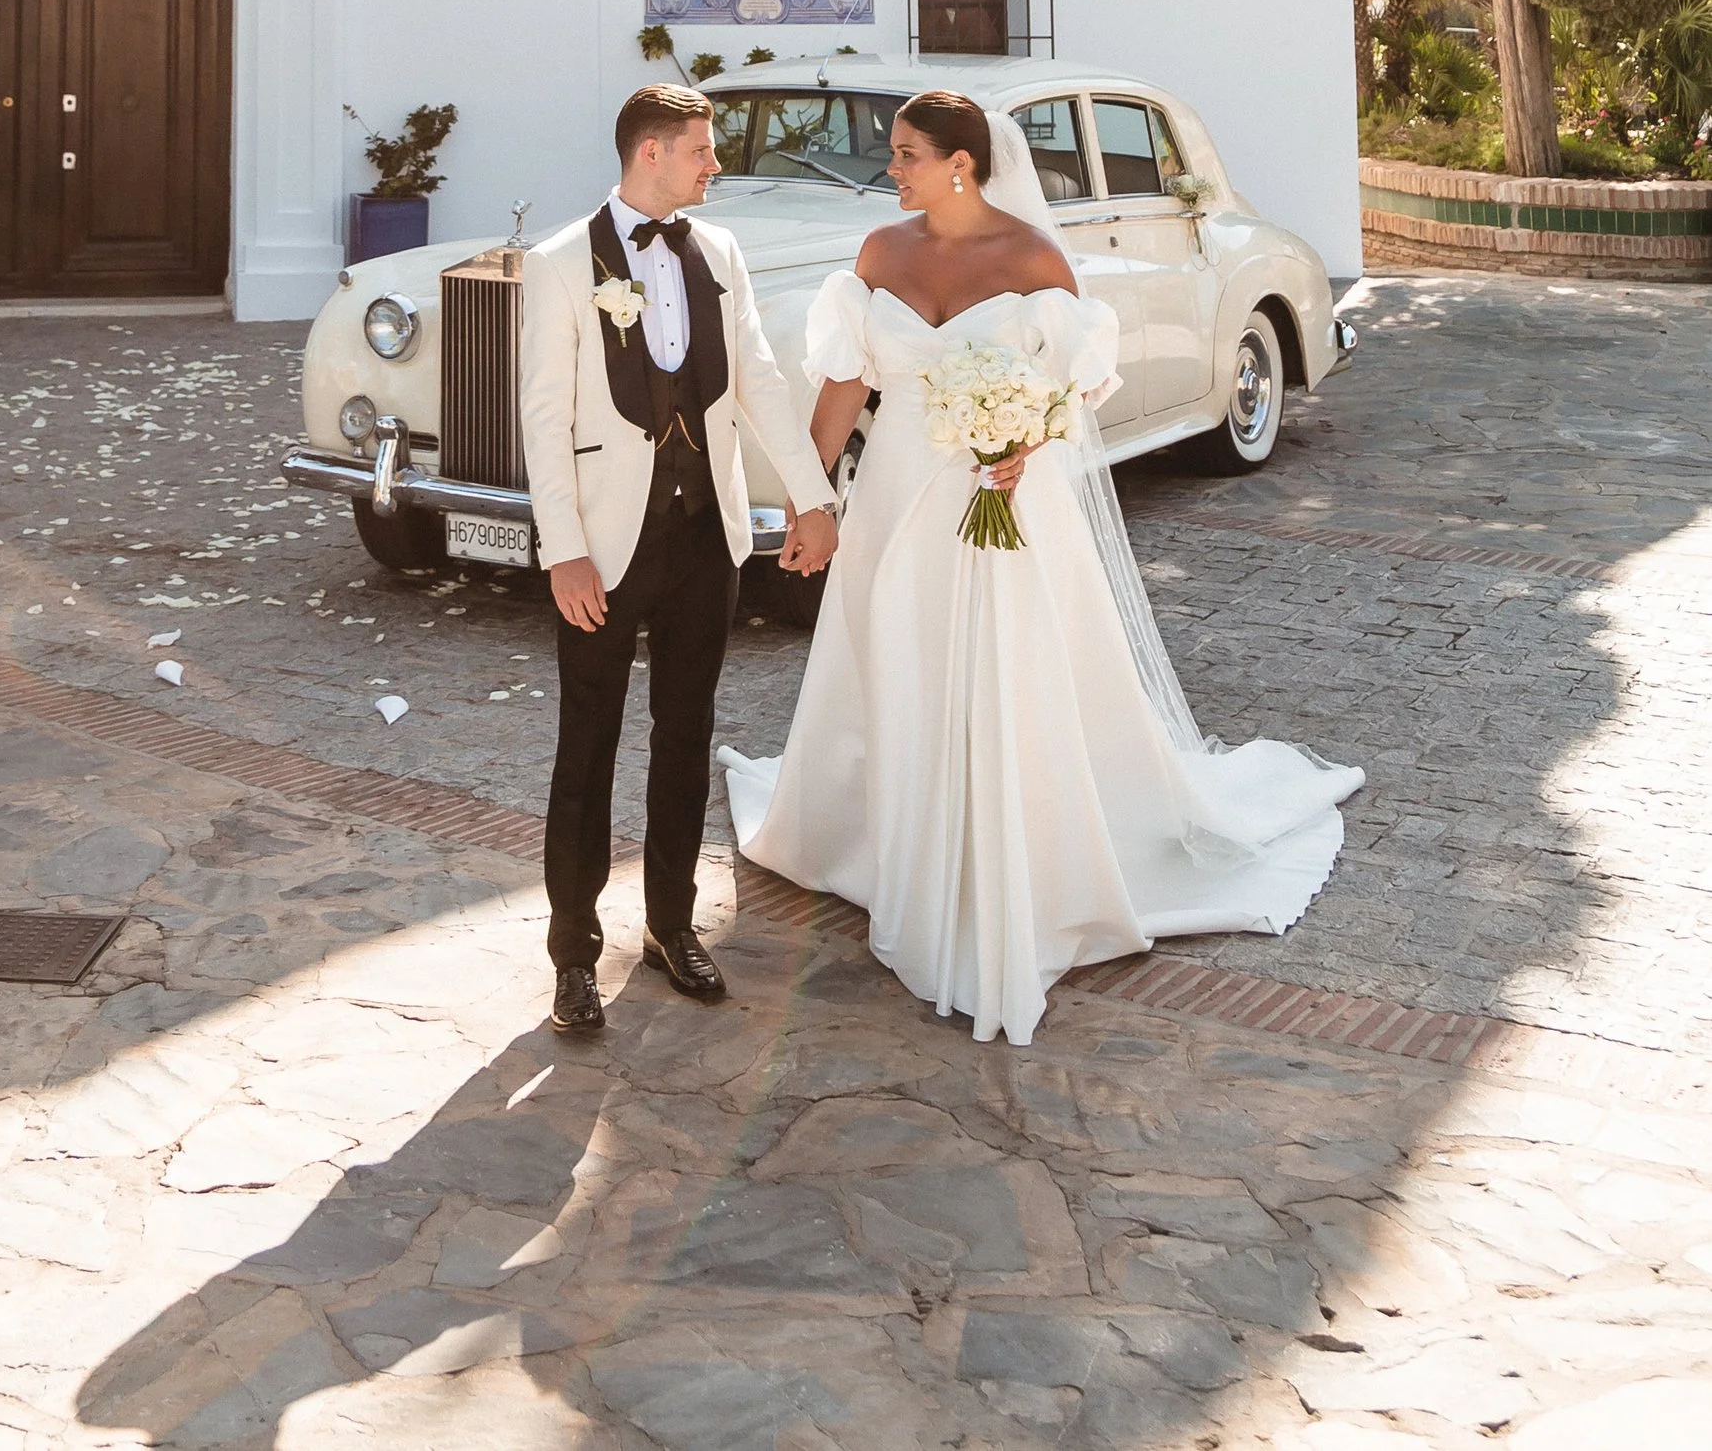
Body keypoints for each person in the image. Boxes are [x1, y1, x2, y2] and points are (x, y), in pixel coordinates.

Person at [722, 90, 1363, 1047]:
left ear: (961, 165)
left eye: (904, 155)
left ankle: (1008, 853)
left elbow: (1075, 390)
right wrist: (816, 505)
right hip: (899, 492)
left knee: (1007, 664)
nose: (888, 171)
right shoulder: (880, 256)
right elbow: (844, 388)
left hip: (1006, 496)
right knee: (894, 651)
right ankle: (895, 836)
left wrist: (1025, 439)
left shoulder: (1032, 257)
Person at [519, 81, 839, 1040]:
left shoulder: (723, 251)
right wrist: (564, 553)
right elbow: (543, 414)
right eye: (701, 150)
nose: (714, 166)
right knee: (587, 746)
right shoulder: (560, 263)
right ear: (650, 151)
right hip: (605, 548)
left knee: (686, 735)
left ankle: (667, 925)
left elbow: (760, 384)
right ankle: (573, 953)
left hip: (708, 535)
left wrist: (813, 496)